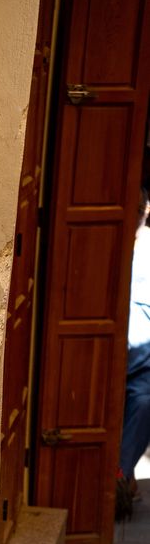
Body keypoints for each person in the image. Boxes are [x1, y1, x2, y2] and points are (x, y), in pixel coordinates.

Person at [119, 189, 150, 508]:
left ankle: (118, 477)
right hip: (101, 360)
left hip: (143, 365)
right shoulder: (105, 243)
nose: (136, 213)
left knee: (144, 404)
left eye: (141, 208)